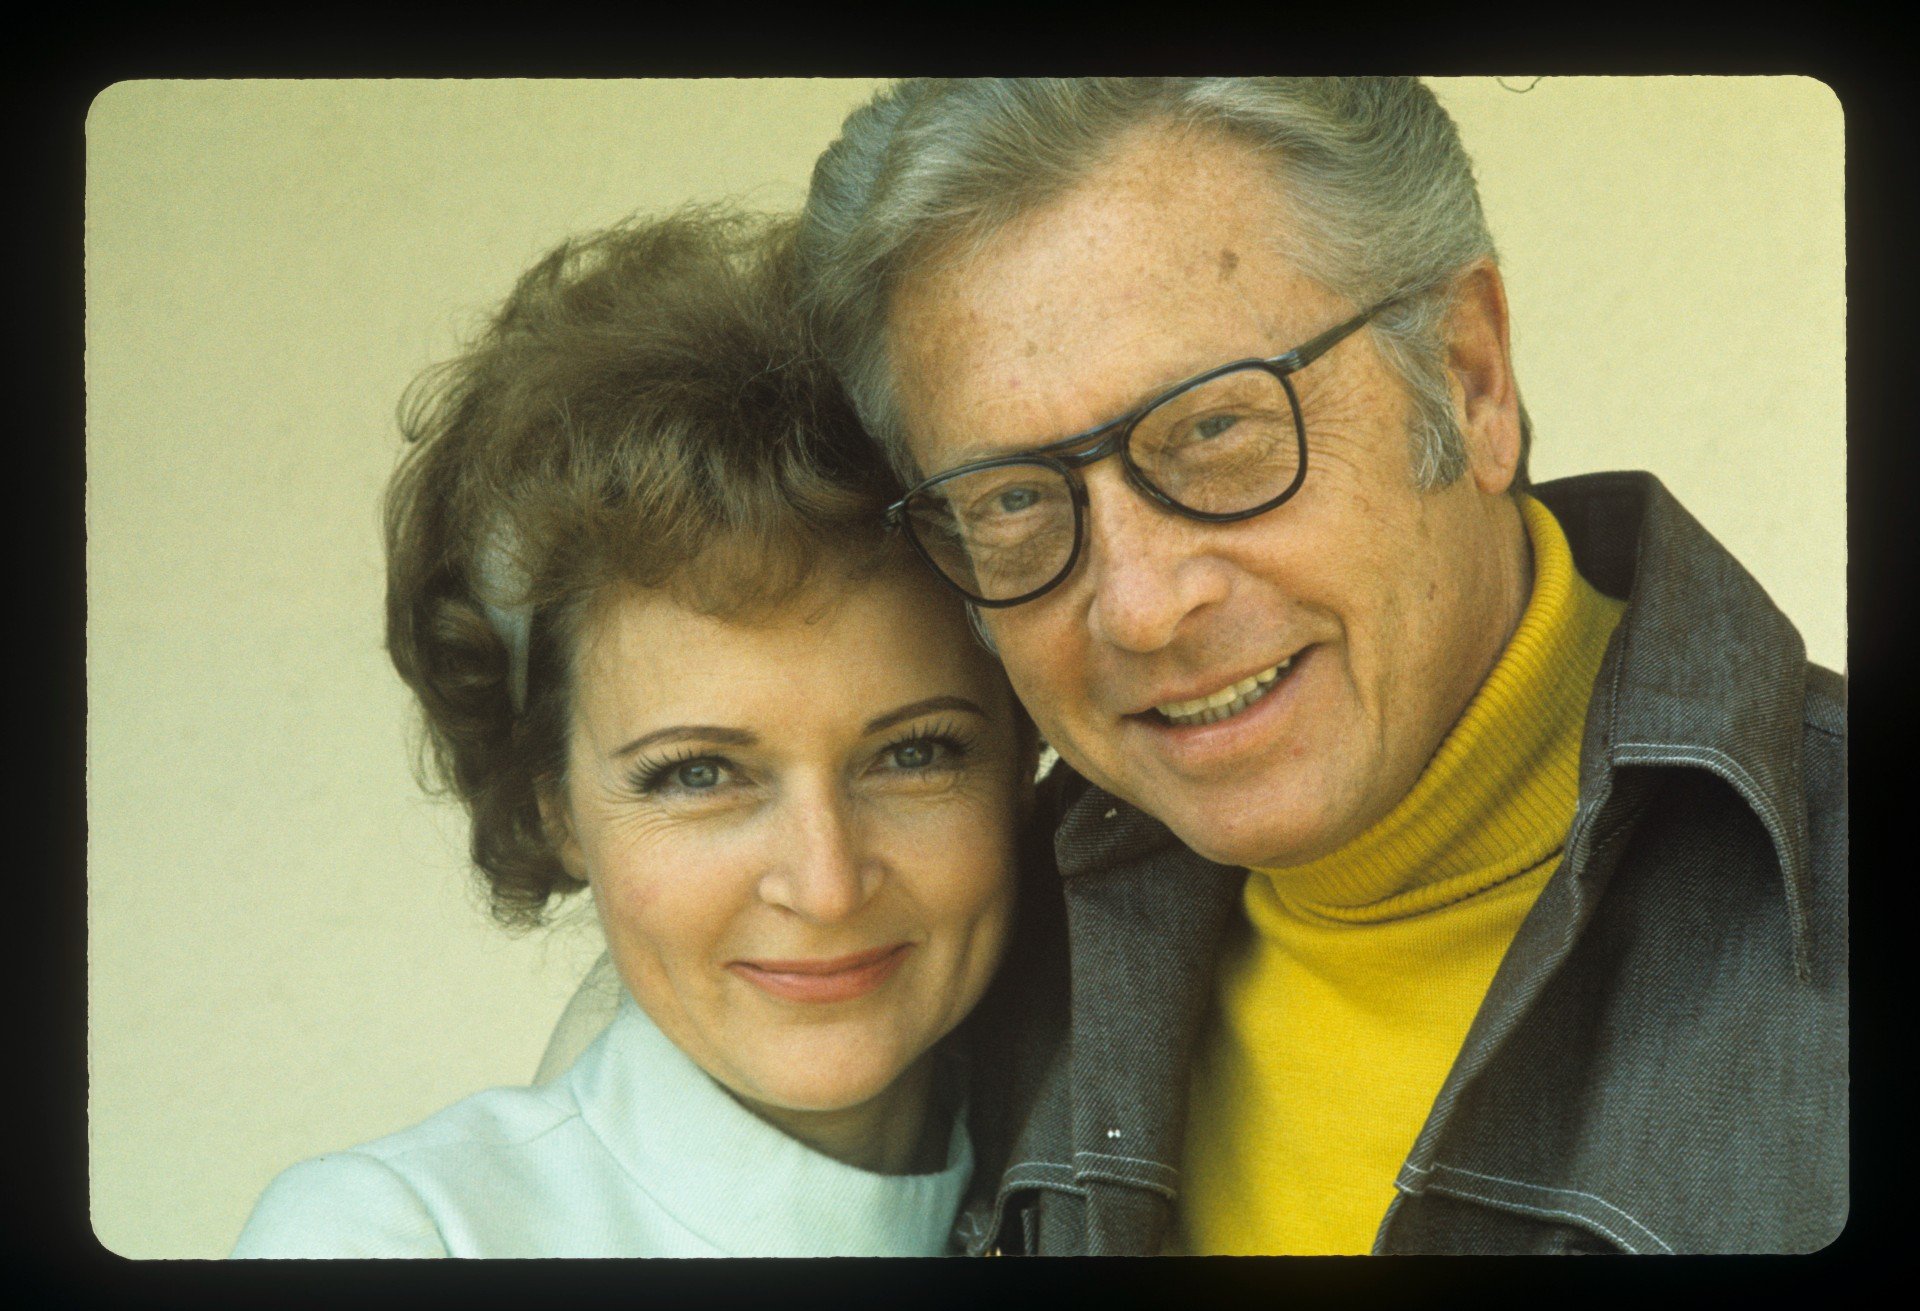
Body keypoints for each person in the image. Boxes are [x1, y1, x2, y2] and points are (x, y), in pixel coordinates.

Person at [785, 77, 1847, 1255]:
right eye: (1017, 500)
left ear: (1468, 375)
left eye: (1213, 431)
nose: (1139, 607)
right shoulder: (975, 954)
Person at [230, 209, 1044, 1258]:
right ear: (554, 809)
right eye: (700, 773)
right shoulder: (397, 1237)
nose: (827, 882)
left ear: (1024, 759)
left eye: (915, 753)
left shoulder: (1163, 1163)